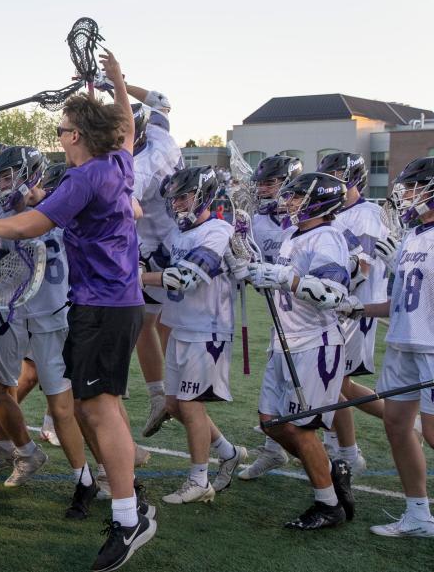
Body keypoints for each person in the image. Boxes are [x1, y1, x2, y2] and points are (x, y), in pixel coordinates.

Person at [0, 49, 157, 572]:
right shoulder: (117, 162)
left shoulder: (84, 178)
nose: (58, 136)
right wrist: (116, 80)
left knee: (96, 409)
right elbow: (125, 128)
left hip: (102, 305)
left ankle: (128, 517)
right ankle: (129, 497)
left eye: (61, 130)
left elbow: (32, 225)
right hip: (115, 303)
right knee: (95, 407)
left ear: (76, 136)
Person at [0, 147, 96, 516]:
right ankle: (8, 451)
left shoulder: (61, 206)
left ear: (28, 173)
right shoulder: (0, 213)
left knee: (65, 407)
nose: (2, 185)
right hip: (12, 317)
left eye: (7, 176)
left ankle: (87, 479)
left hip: (53, 318)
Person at [243, 171, 355, 529]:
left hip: (314, 344)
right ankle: (328, 470)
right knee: (270, 423)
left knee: (302, 427)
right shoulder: (294, 234)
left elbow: (333, 296)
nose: (288, 202)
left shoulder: (327, 237)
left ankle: (329, 503)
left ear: (319, 201)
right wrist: (260, 273)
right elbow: (285, 284)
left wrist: (284, 278)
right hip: (285, 341)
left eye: (296, 197)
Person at [141, 166, 248, 504]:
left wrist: (139, 278)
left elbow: (186, 278)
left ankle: (199, 479)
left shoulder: (218, 230)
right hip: (181, 325)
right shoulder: (177, 233)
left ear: (203, 194)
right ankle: (227, 452)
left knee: (189, 403)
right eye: (173, 198)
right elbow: (149, 262)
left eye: (183, 196)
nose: (177, 204)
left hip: (208, 329)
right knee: (175, 404)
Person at [348, 156, 434, 538]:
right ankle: (418, 514)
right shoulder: (413, 236)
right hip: (402, 342)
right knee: (398, 425)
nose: (406, 196)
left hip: (431, 347)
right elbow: (400, 301)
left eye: (414, 188)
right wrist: (354, 307)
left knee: (432, 433)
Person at [122, 83, 183, 447]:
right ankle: (162, 393)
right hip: (172, 234)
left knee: (151, 321)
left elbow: (128, 206)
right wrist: (121, 83)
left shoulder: (141, 164)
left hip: (162, 243)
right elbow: (160, 101)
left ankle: (165, 394)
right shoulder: (160, 135)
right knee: (151, 320)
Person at [317, 152, 385, 474]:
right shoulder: (330, 211)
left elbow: (365, 267)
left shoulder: (367, 213)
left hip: (356, 308)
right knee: (337, 383)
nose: (332, 182)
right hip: (333, 307)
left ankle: (348, 452)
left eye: (338, 175)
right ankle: (343, 446)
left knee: (336, 382)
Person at [237, 155, 302, 480]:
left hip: (313, 316)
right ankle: (274, 450)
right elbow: (253, 265)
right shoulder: (258, 222)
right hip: (282, 313)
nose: (263, 189)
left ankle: (342, 453)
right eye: (260, 182)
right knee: (277, 384)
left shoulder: (307, 220)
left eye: (270, 182)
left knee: (323, 390)